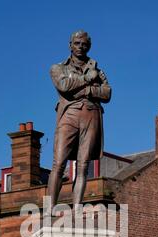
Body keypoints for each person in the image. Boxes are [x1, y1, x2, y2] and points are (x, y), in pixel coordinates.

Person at [47, 30, 111, 208]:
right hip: (69, 115)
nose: (80, 47)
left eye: (84, 44)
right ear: (70, 45)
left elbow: (107, 93)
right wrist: (86, 79)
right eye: (77, 43)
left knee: (83, 166)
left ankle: (77, 209)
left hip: (91, 115)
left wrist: (87, 90)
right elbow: (64, 85)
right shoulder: (58, 68)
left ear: (88, 46)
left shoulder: (97, 70)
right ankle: (48, 209)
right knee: (58, 164)